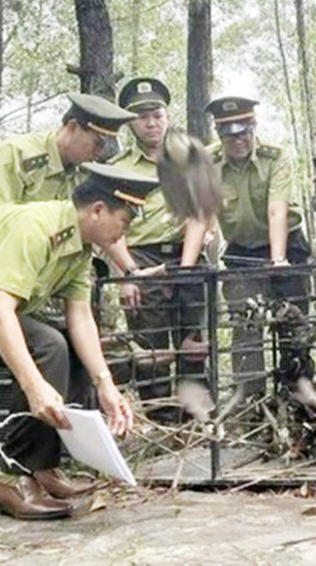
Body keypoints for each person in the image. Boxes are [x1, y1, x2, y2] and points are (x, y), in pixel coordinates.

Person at [0, 93, 139, 499]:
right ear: (72, 128)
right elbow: (4, 226)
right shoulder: (17, 155)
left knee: (54, 344)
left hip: (29, 266)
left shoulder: (80, 177)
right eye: (97, 142)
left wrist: (130, 270)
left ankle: (32, 465)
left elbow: (97, 227)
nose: (101, 151)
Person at [108, 77, 209, 417]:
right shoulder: (117, 168)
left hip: (186, 253)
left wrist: (187, 266)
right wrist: (128, 273)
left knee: (195, 341)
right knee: (150, 345)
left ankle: (196, 421)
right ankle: (163, 424)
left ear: (167, 116)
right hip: (140, 256)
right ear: (130, 122)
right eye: (142, 116)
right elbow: (110, 226)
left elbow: (199, 214)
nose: (151, 123)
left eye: (157, 115)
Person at [205, 96, 312, 395]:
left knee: (294, 324)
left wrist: (278, 259)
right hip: (242, 252)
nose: (237, 139)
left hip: (287, 246)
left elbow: (276, 209)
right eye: (228, 132)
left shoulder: (275, 157)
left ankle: (299, 397)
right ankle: (251, 403)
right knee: (246, 328)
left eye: (243, 131)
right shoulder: (207, 162)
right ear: (218, 133)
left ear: (254, 127)